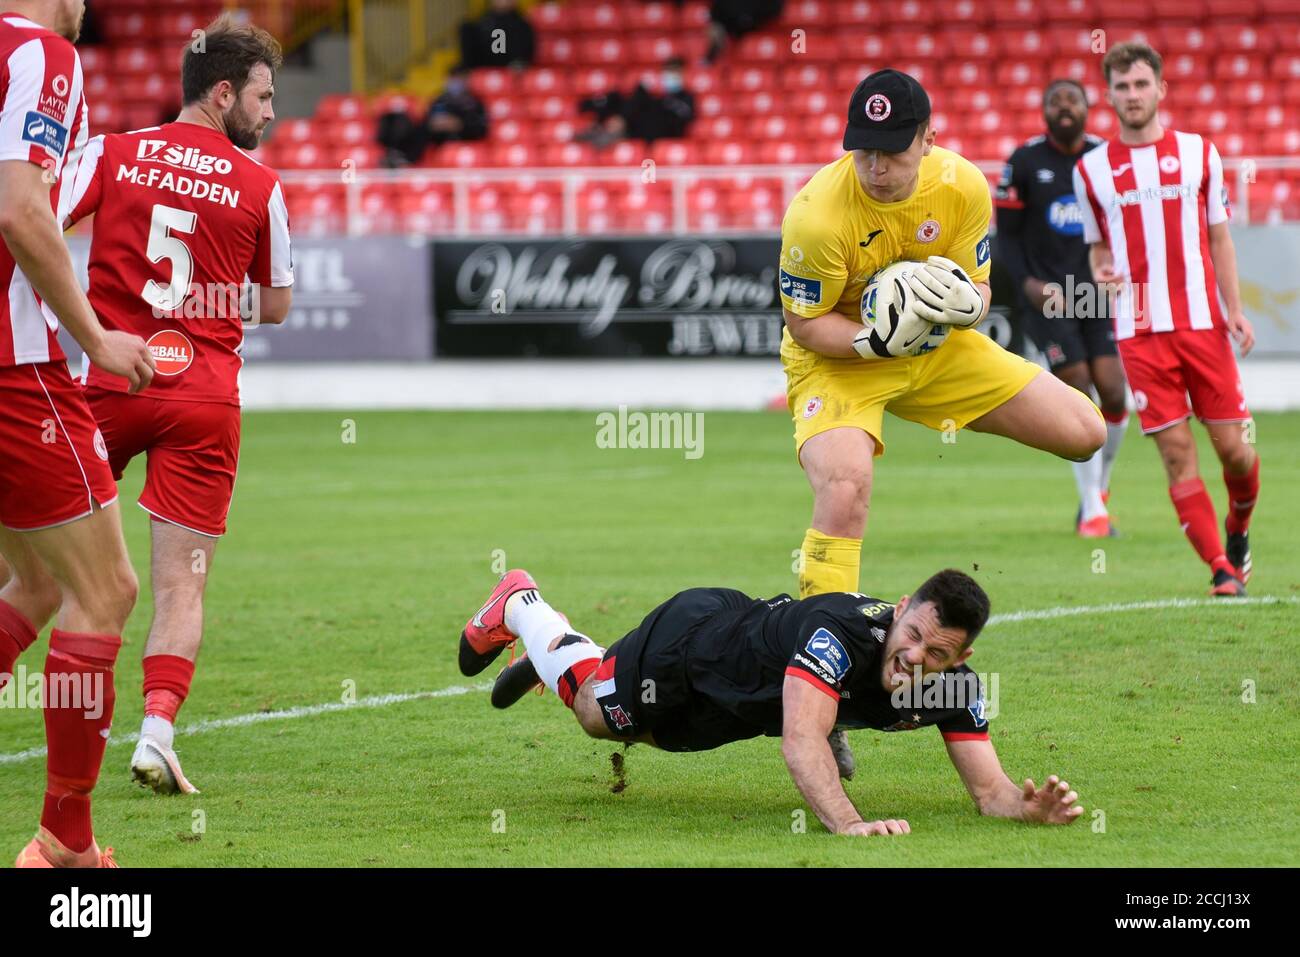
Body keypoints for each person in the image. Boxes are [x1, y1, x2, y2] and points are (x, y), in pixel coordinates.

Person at [776, 69, 1104, 775]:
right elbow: (804, 324)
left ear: (930, 138)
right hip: (843, 361)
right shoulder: (815, 213)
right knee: (844, 488)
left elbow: (980, 289)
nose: (876, 166)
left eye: (894, 150)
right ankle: (822, 689)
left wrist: (959, 304)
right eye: (864, 150)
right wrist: (871, 340)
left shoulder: (961, 186)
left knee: (1087, 429)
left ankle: (963, 415)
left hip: (936, 351)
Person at [60, 14, 294, 794]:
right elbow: (280, 304)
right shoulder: (262, 186)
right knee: (182, 583)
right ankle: (156, 733)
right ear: (222, 91)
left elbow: (36, 217)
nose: (269, 113)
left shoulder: (116, 151)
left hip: (109, 376)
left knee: (27, 558)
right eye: (262, 96)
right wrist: (207, 304)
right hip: (201, 396)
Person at [459, 568, 1085, 836]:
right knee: (600, 719)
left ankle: (558, 657)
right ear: (899, 613)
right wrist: (849, 822)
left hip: (736, 704)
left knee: (652, 736)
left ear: (961, 662)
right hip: (692, 644)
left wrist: (1025, 811)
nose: (917, 658)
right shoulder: (838, 637)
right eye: (913, 635)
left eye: (938, 654)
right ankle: (523, 606)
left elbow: (991, 794)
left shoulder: (954, 692)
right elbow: (800, 742)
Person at [0, 0, 158, 869]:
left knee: (32, 582)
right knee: (106, 590)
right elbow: (23, 213)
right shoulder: (43, 55)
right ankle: (64, 841)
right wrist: (96, 338)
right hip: (15, 369)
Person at [1073, 42, 1259, 597]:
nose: (1132, 96)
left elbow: (1219, 237)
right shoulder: (1091, 171)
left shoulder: (1201, 154)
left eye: (1140, 84)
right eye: (1122, 87)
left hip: (1203, 325)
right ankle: (1222, 571)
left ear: (1160, 90)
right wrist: (1103, 269)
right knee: (1177, 454)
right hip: (1139, 334)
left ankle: (1239, 525)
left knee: (1236, 451)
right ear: (1108, 95)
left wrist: (1236, 310)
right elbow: (1097, 250)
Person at [996, 79, 1129, 538]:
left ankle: (1100, 486)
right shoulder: (1024, 161)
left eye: (1073, 99)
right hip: (1049, 296)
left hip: (1097, 292)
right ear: (1044, 110)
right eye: (1055, 101)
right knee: (1077, 386)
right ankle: (1092, 510)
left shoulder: (1107, 158)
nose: (1064, 107)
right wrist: (1029, 284)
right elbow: (1007, 237)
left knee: (1113, 392)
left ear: (1089, 108)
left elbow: (1125, 222)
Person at [377, 67, 487, 168]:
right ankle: (403, 158)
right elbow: (427, 118)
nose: (456, 82)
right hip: (439, 138)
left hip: (465, 138)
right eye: (453, 78)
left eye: (459, 78)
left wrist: (459, 124)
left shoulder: (475, 102)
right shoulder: (440, 99)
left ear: (466, 80)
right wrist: (434, 123)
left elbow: (481, 128)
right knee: (415, 127)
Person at [575, 58, 695, 148]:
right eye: (668, 71)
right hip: (640, 127)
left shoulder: (686, 97)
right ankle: (606, 126)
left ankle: (614, 128)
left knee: (642, 96)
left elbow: (682, 118)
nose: (671, 76)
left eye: (675, 72)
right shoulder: (660, 94)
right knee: (620, 97)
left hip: (663, 133)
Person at [458, 0, 534, 70]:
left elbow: (523, 55)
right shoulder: (479, 23)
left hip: (510, 70)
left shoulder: (522, 25)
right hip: (481, 69)